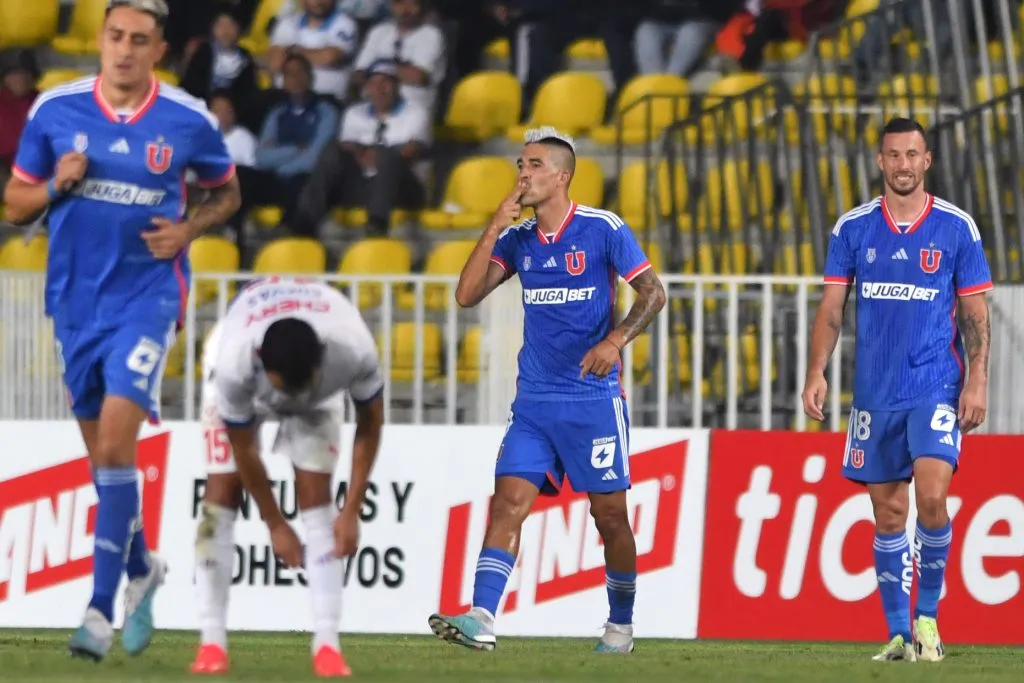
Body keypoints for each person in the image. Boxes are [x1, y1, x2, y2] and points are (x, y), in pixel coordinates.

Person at [1, 0, 241, 661]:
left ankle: (99, 611)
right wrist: (57, 183)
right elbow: (16, 203)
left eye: (140, 39)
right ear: (100, 41)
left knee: (114, 443)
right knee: (103, 459)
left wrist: (189, 229)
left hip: (149, 299)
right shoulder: (56, 110)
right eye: (115, 36)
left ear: (158, 49)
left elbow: (228, 191)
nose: (125, 49)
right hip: (75, 305)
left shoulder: (187, 119)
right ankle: (142, 568)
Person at [427, 126, 667, 653]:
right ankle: (481, 618)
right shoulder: (516, 240)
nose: (522, 174)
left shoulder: (603, 229)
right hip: (533, 404)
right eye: (520, 164)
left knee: (609, 518)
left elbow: (653, 292)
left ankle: (620, 626)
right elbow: (466, 295)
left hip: (592, 401)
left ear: (562, 175)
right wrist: (492, 226)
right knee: (507, 505)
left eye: (533, 165)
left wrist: (616, 340)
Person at [802, 117, 992, 663]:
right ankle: (898, 635)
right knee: (888, 515)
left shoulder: (957, 228)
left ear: (926, 161)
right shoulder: (853, 229)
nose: (903, 164)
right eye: (894, 155)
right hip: (874, 394)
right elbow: (832, 310)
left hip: (935, 385)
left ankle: (928, 617)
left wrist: (977, 380)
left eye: (913, 154)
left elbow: (976, 315)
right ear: (880, 162)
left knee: (931, 498)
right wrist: (817, 371)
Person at [190, 276, 385, 677]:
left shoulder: (353, 349)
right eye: (285, 389)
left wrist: (352, 511)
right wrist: (275, 523)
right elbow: (243, 448)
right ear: (264, 364)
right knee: (220, 494)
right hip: (240, 369)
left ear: (321, 362)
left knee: (318, 502)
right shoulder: (233, 365)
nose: (290, 401)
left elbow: (371, 423)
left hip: (320, 390)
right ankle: (211, 644)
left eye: (302, 386)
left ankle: (328, 646)